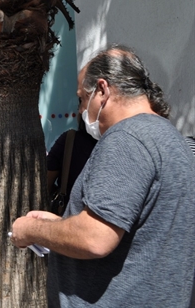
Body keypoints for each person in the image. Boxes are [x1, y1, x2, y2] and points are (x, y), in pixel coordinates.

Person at [11, 46, 195, 307]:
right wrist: (61, 225)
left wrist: (32, 230)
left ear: (102, 90)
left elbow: (94, 238)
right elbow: (137, 228)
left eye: (82, 99)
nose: (82, 110)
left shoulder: (126, 139)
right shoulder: (171, 138)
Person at [46, 111, 97, 204]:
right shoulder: (69, 140)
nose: (81, 109)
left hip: (67, 212)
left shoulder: (69, 139)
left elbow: (47, 181)